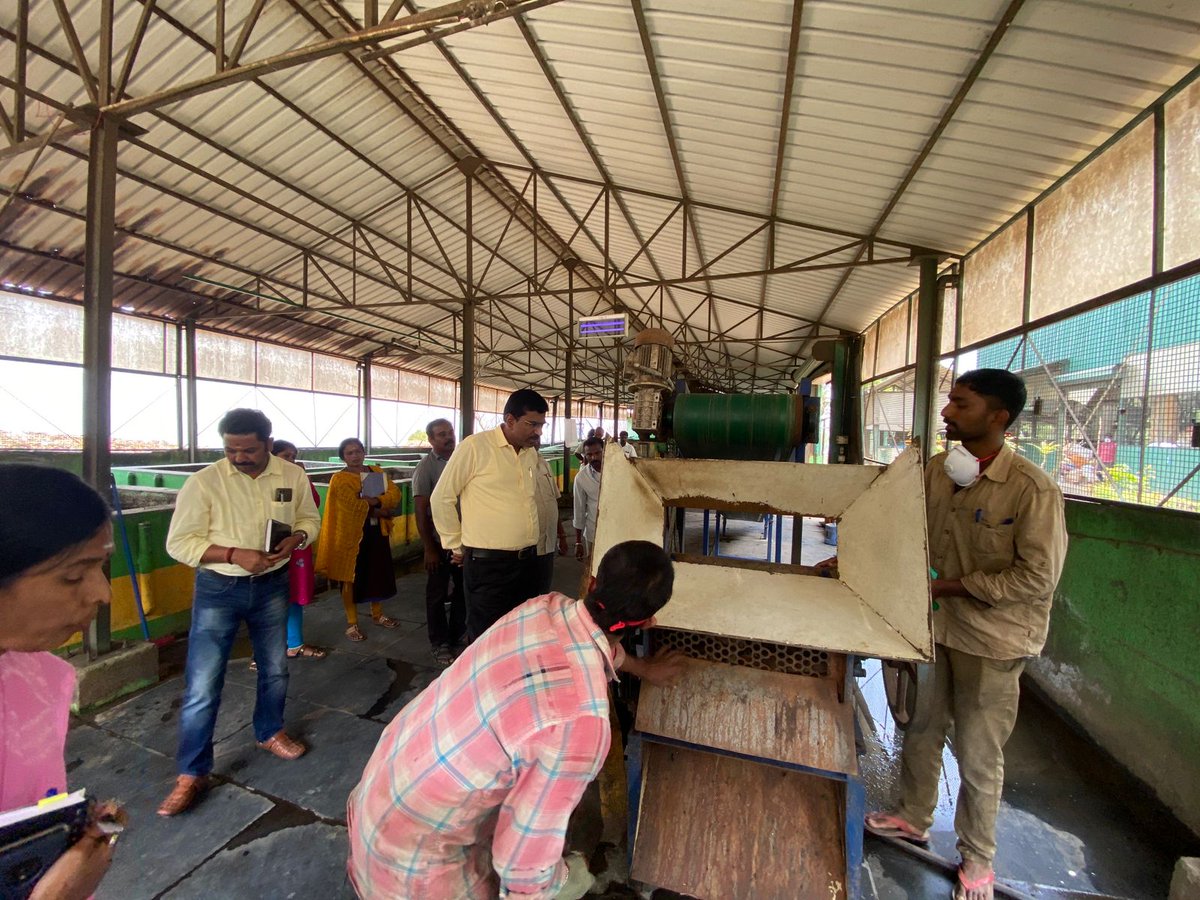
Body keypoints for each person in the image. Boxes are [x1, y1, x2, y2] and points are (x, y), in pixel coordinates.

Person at [346, 540, 686, 900]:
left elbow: (593, 642)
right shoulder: (581, 724)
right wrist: (569, 878)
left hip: (378, 796)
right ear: (647, 622)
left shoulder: (544, 607)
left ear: (591, 584)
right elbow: (523, 870)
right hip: (413, 867)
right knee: (573, 880)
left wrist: (641, 668)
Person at [863, 370, 1067, 900]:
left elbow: (1038, 577)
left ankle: (978, 858)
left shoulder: (1030, 489)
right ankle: (913, 816)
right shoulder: (936, 471)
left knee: (978, 750)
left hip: (994, 638)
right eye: (949, 401)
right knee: (923, 726)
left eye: (961, 403)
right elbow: (904, 530)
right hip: (937, 625)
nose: (948, 412)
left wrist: (952, 586)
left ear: (998, 417)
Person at [159, 409, 320, 817]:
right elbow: (179, 543)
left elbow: (308, 518)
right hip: (219, 588)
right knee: (202, 684)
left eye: (249, 449)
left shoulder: (291, 475)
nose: (239, 456)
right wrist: (232, 554)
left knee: (275, 667)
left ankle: (269, 731)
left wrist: (297, 538)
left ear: (267, 443)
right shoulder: (205, 482)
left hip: (271, 584)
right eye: (231, 449)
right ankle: (192, 771)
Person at [0, 465, 126, 899]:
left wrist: (80, 833)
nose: (102, 594)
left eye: (100, 568)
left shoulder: (37, 677)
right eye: (73, 575)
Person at [430, 388, 547, 641]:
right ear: (510, 420)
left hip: (527, 561)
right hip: (489, 565)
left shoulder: (529, 453)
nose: (538, 431)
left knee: (521, 632)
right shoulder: (475, 447)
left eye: (541, 425)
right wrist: (455, 545)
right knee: (487, 635)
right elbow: (441, 498)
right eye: (532, 424)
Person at [316, 438, 404, 642]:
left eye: (358, 451)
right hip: (351, 535)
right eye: (349, 453)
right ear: (343, 457)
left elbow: (394, 493)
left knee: (377, 574)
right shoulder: (339, 479)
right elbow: (350, 505)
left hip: (376, 533)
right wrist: (380, 510)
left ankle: (378, 614)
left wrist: (376, 501)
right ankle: (352, 623)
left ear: (364, 452)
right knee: (350, 577)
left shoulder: (374, 471)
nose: (355, 456)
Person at [411, 419, 467, 667]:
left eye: (450, 432)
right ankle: (439, 642)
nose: (448, 437)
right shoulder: (426, 468)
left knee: (464, 591)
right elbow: (421, 511)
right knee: (436, 593)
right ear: (431, 440)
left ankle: (456, 636)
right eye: (441, 435)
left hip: (465, 541)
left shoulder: (462, 459)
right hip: (440, 542)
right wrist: (429, 548)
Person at [269, 441, 326, 662]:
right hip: (270, 544)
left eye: (294, 456)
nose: (291, 461)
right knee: (267, 599)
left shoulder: (297, 477)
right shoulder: (261, 480)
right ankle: (263, 651)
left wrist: (303, 478)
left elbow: (312, 504)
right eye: (286, 456)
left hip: (296, 543)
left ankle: (294, 643)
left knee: (293, 593)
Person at [534, 453, 570, 594]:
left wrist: (562, 536)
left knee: (543, 589)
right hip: (528, 548)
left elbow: (553, 504)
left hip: (548, 545)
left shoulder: (544, 464)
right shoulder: (513, 467)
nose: (537, 435)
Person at [573, 435, 603, 560]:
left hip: (619, 530)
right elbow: (579, 510)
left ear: (604, 450)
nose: (594, 457)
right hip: (593, 533)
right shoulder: (581, 478)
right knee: (595, 572)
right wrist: (578, 542)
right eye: (589, 455)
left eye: (597, 453)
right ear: (585, 455)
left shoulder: (621, 471)